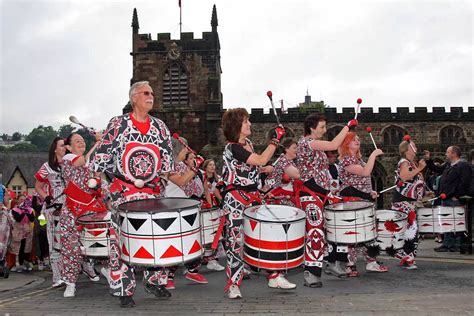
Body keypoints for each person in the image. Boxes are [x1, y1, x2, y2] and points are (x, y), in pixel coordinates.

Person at [92, 81, 174, 307]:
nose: (151, 96)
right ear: (134, 97)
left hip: (153, 193)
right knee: (122, 241)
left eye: (152, 93)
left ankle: (155, 281)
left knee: (156, 238)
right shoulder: (118, 124)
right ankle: (124, 290)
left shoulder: (159, 126)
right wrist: (108, 185)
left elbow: (167, 161)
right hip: (123, 192)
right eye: (146, 93)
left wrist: (163, 178)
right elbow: (101, 159)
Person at [221, 108, 288, 299]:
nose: (249, 124)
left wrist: (261, 170)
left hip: (253, 197)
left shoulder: (248, 143)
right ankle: (233, 284)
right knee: (235, 241)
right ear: (236, 126)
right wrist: (275, 141)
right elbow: (260, 159)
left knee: (262, 236)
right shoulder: (232, 147)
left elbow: (251, 167)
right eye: (245, 121)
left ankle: (273, 275)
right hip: (235, 200)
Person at [295, 112, 357, 287]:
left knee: (338, 224)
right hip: (311, 193)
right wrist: (347, 126)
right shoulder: (307, 143)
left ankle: (334, 262)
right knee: (315, 231)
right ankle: (311, 272)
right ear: (311, 128)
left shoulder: (316, 146)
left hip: (323, 192)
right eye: (321, 127)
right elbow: (333, 144)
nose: (324, 130)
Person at [337, 132, 388, 276]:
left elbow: (362, 180)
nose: (357, 141)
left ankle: (370, 261)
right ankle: (351, 264)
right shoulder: (346, 159)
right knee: (353, 233)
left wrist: (370, 191)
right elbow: (365, 173)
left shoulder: (357, 159)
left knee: (367, 232)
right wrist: (373, 155)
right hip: (352, 199)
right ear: (346, 143)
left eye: (358, 139)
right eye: (353, 140)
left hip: (362, 198)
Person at [60, 132, 105, 297]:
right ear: (69, 147)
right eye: (77, 141)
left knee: (102, 241)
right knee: (70, 247)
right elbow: (81, 160)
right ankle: (70, 283)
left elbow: (97, 178)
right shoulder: (68, 158)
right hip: (72, 210)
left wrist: (99, 183)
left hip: (90, 208)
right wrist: (97, 143)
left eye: (83, 141)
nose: (81, 143)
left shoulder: (90, 162)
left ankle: (108, 270)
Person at [164, 137, 209, 290]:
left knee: (193, 240)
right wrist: (195, 169)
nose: (187, 151)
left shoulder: (182, 166)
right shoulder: (168, 166)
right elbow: (182, 182)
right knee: (175, 244)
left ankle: (192, 270)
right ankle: (168, 277)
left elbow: (195, 189)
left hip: (186, 207)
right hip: (171, 208)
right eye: (185, 148)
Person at [424, 146, 472, 252]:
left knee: (457, 222)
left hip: (454, 199)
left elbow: (465, 182)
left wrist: (458, 196)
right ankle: (447, 244)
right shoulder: (448, 165)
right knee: (446, 221)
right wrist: (428, 160)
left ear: (454, 153)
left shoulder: (463, 165)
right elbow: (437, 169)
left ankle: (457, 244)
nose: (446, 154)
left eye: (447, 152)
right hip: (445, 197)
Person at [390, 137, 426, 269]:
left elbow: (416, 183)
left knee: (410, 231)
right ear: (407, 149)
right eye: (413, 146)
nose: (415, 147)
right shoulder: (404, 162)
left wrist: (426, 194)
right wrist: (420, 168)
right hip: (402, 202)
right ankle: (406, 256)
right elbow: (405, 177)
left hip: (410, 202)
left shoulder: (412, 163)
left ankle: (407, 257)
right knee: (408, 231)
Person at [34, 137, 66, 286]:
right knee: (54, 243)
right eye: (62, 145)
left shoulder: (69, 165)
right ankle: (57, 277)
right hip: (53, 209)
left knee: (67, 243)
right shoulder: (46, 167)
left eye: (66, 145)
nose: (64, 147)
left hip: (68, 209)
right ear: (55, 148)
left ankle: (68, 274)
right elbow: (38, 186)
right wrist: (46, 197)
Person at [200, 159, 225, 271]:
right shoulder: (201, 177)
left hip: (216, 205)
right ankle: (205, 258)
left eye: (214, 165)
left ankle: (213, 258)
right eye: (210, 165)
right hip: (205, 205)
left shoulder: (218, 178)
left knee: (216, 231)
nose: (212, 167)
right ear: (205, 167)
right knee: (206, 232)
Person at [264, 138, 300, 206]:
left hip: (287, 196)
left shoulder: (290, 162)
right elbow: (297, 175)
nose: (297, 150)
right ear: (286, 149)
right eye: (294, 148)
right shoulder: (283, 161)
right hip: (280, 197)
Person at [9, 195, 35, 272]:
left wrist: (27, 210)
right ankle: (19, 265)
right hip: (19, 231)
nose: (22, 201)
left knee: (27, 248)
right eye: (21, 199)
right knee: (19, 248)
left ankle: (26, 263)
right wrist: (23, 211)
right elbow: (18, 219)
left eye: (24, 199)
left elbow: (32, 219)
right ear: (18, 200)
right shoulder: (15, 210)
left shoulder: (30, 210)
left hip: (27, 231)